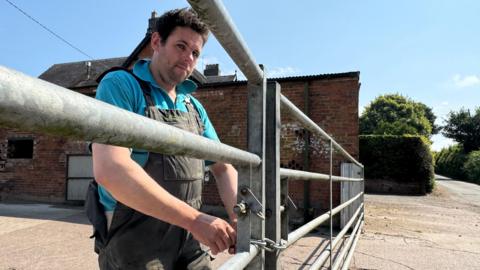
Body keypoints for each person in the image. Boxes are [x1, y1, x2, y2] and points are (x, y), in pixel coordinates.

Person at [90, 8, 238, 270]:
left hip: (189, 236)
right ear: (157, 42)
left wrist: (238, 217)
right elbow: (110, 169)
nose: (188, 58)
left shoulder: (193, 106)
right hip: (135, 237)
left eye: (195, 53)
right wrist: (194, 220)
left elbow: (223, 166)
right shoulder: (121, 85)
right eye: (180, 46)